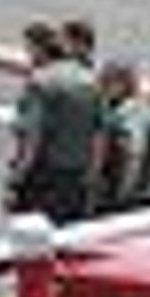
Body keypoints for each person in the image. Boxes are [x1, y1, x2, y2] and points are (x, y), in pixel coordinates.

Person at [6, 23, 103, 223]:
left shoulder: (40, 82)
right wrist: (91, 177)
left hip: (44, 176)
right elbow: (99, 135)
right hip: (77, 177)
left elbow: (34, 137)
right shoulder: (91, 81)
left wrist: (16, 180)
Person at [90, 61, 150, 215]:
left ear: (120, 85)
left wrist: (122, 196)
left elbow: (133, 153)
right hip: (139, 195)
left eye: (105, 83)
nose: (99, 89)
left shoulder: (127, 113)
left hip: (127, 200)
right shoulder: (142, 109)